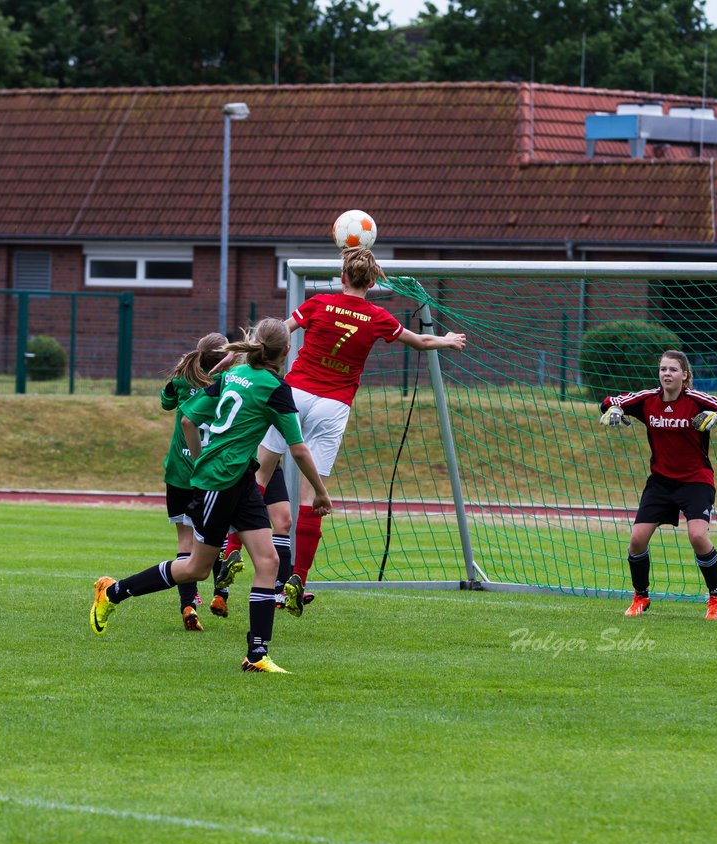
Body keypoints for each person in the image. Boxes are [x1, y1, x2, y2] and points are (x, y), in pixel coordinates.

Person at [91, 318, 332, 673]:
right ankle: (113, 592)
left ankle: (257, 655)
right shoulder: (275, 388)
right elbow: (297, 450)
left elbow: (188, 420)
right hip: (220, 483)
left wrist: (201, 458)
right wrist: (322, 494)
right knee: (196, 569)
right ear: (285, 352)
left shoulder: (230, 376)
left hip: (239, 479)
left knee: (268, 562)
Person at [254, 245, 466, 603]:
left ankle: (231, 548)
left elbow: (279, 332)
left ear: (343, 277)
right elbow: (419, 342)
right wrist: (446, 340)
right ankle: (297, 581)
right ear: (372, 281)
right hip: (333, 405)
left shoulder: (318, 304)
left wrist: (247, 351)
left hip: (294, 394)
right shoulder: (378, 316)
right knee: (312, 496)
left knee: (259, 474)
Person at [599, 349, 717, 620]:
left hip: (696, 481)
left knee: (698, 537)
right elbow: (609, 400)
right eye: (663, 369)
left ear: (685, 375)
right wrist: (615, 409)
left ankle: (716, 597)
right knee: (636, 540)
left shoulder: (696, 400)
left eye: (673, 370)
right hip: (660, 482)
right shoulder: (647, 400)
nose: (667, 373)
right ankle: (640, 596)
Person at [160, 332, 241, 631]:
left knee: (185, 543)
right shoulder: (230, 385)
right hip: (211, 472)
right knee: (215, 539)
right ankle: (221, 595)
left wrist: (183, 370)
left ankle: (188, 603)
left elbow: (166, 402)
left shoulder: (183, 380)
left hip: (179, 473)